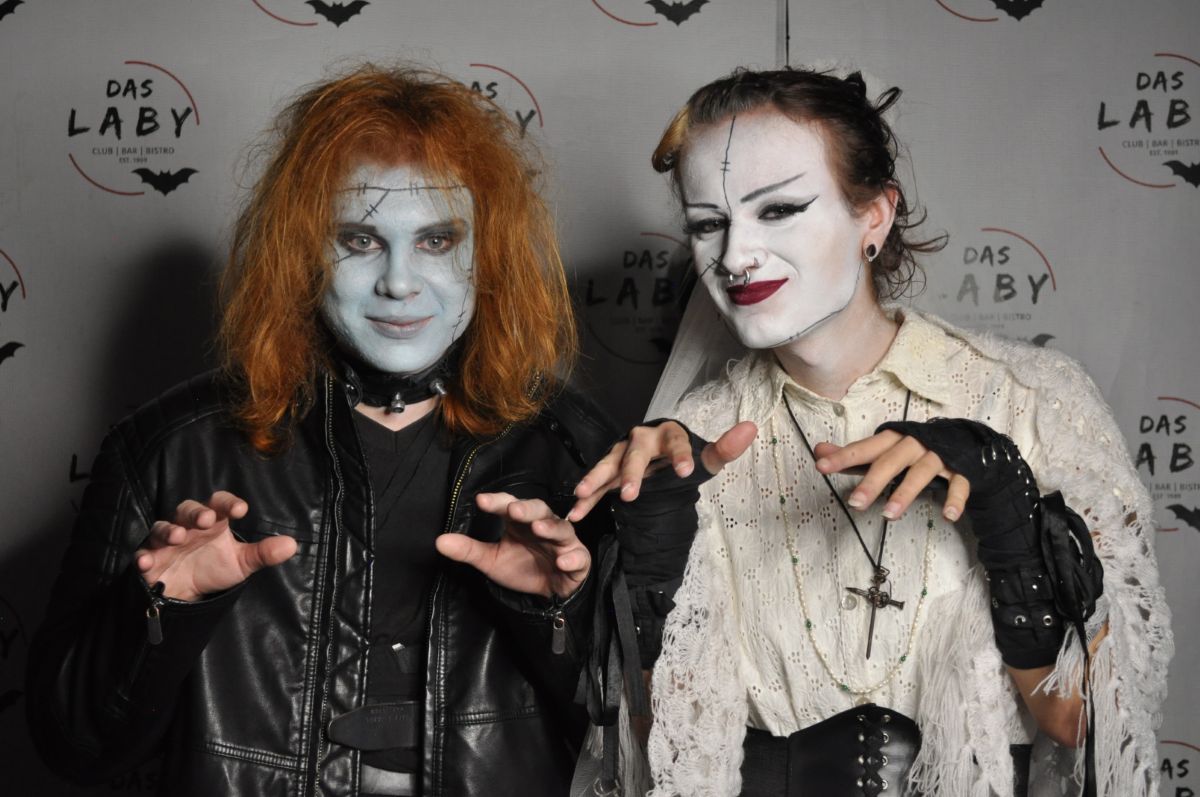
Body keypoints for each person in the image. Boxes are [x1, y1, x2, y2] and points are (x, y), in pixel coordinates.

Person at [26, 65, 666, 797]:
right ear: (302, 252)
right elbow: (73, 745)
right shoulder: (171, 447)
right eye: (360, 240)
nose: (399, 281)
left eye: (437, 239)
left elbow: (650, 749)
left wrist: (561, 612)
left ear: (486, 255)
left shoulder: (572, 446)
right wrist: (163, 612)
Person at [572, 67, 1171, 796]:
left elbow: (1088, 726)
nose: (733, 257)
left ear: (875, 217)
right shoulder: (692, 440)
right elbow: (660, 752)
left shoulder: (1035, 402)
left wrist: (1008, 508)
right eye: (707, 224)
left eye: (779, 209)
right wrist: (653, 562)